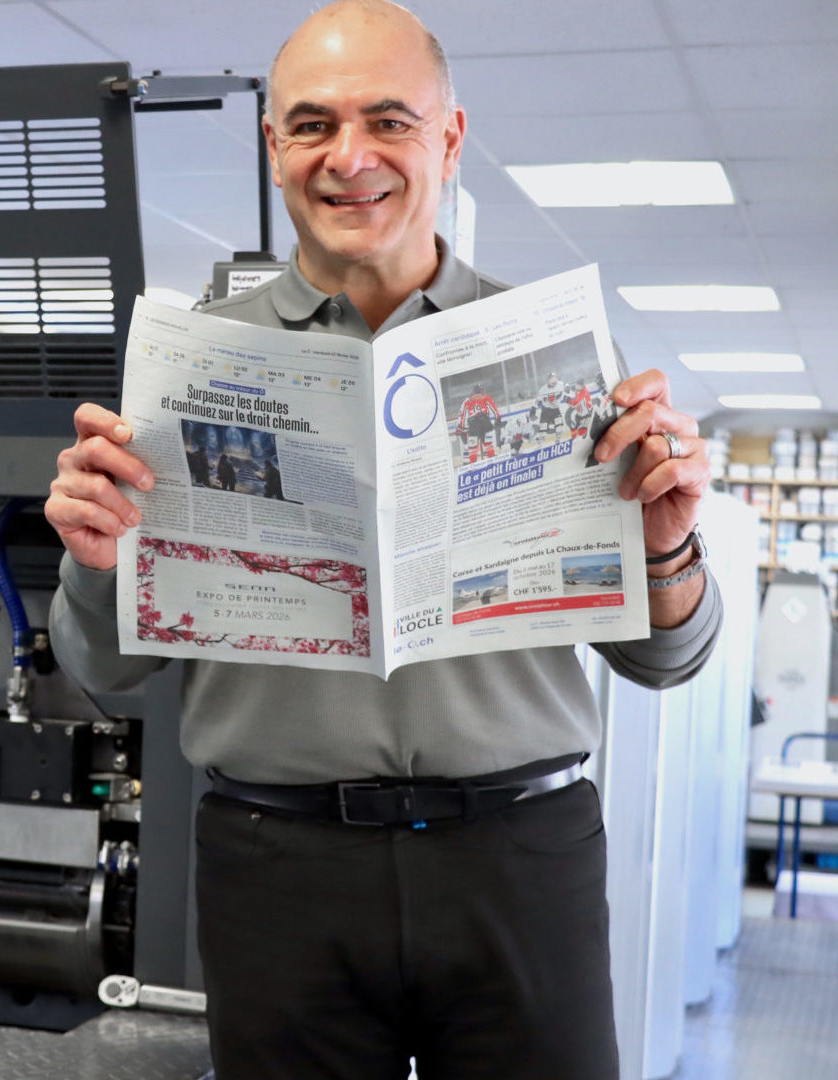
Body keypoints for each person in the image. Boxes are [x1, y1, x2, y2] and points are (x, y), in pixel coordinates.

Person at [45, 3, 719, 1076]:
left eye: (388, 122)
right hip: (278, 865)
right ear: (273, 147)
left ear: (449, 138)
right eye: (311, 126)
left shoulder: (556, 357)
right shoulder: (187, 372)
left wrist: (666, 549)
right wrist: (95, 562)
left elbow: (665, 660)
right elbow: (106, 665)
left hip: (520, 857)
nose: (347, 158)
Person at [457, 381, 500, 463]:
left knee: (473, 446)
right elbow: (494, 409)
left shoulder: (467, 401)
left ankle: (473, 462)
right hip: (484, 422)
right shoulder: (486, 397)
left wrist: (462, 426)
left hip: (473, 424)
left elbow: (463, 415)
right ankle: (491, 457)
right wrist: (498, 418)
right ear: (481, 391)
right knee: (488, 442)